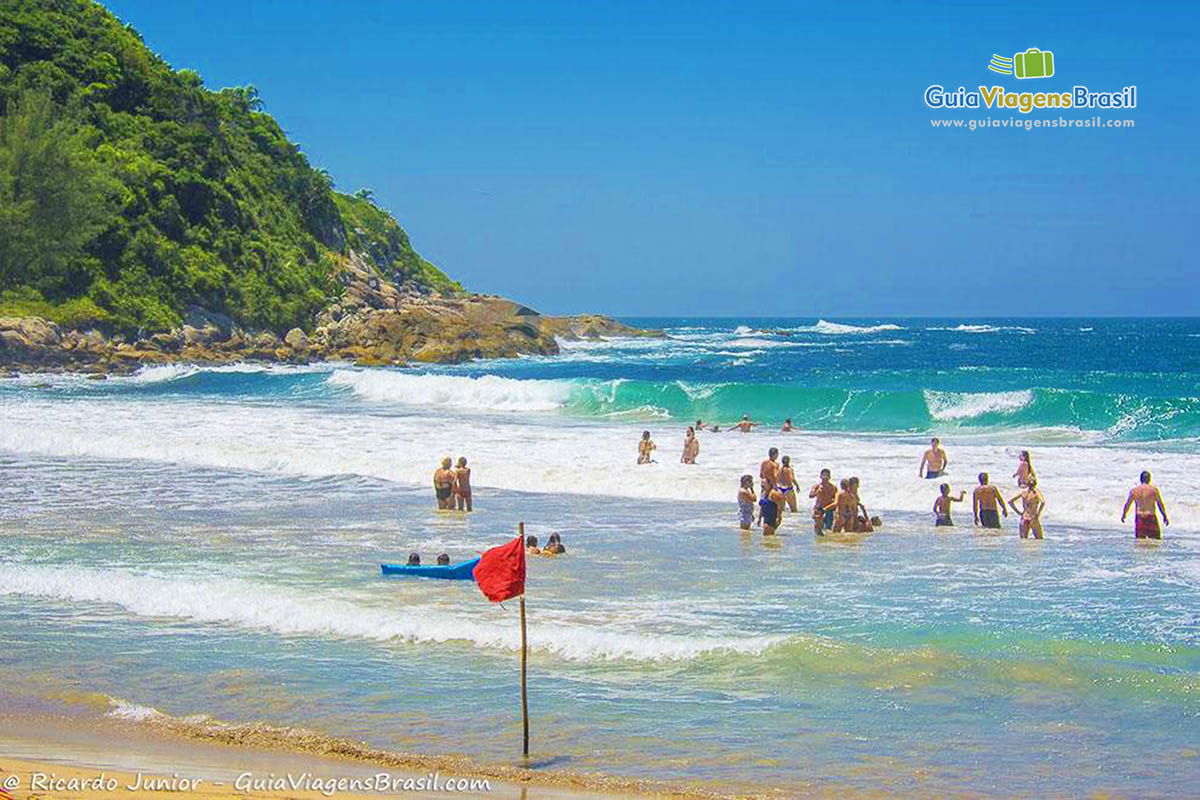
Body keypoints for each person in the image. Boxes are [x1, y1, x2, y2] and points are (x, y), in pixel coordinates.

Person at [1121, 470, 1169, 540]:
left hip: (1139, 517)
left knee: (1140, 540)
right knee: (1155, 540)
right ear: (1149, 479)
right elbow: (1160, 504)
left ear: (1140, 479)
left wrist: (1124, 515)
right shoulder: (1153, 490)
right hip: (1151, 516)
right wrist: (1164, 516)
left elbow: (1127, 504)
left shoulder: (1134, 490)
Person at [809, 468, 837, 535]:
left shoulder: (833, 488)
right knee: (818, 528)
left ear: (830, 477)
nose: (825, 477)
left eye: (827, 475)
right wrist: (817, 492)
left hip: (829, 509)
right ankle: (818, 542)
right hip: (819, 508)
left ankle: (826, 543)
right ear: (820, 476)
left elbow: (836, 500)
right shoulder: (816, 486)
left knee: (828, 528)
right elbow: (810, 495)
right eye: (823, 475)